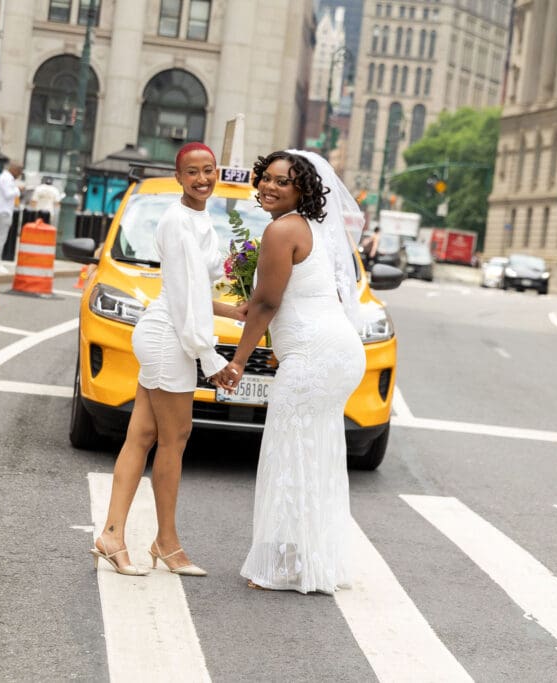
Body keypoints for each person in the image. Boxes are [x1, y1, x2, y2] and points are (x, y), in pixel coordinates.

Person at [91, 142, 246, 577]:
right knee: (174, 439)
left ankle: (113, 535)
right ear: (178, 178)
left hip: (169, 332)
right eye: (192, 172)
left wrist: (231, 310)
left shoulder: (200, 218)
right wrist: (210, 358)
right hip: (169, 338)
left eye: (209, 170)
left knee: (141, 437)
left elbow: (193, 289)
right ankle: (167, 542)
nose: (202, 179)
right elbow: (183, 297)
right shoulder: (178, 222)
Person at [214, 150, 365, 595]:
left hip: (315, 355)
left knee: (288, 451)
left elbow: (266, 303)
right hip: (337, 351)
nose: (269, 187)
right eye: (266, 179)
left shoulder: (282, 230)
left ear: (303, 189)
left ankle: (282, 566)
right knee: (314, 452)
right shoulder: (314, 228)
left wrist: (238, 361)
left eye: (283, 181)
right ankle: (311, 560)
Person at [0, 161, 22, 272]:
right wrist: (18, 190)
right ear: (14, 169)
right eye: (19, 172)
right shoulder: (7, 179)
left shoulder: (2, 177)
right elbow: (8, 194)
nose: (19, 175)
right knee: (1, 238)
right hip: (4, 211)